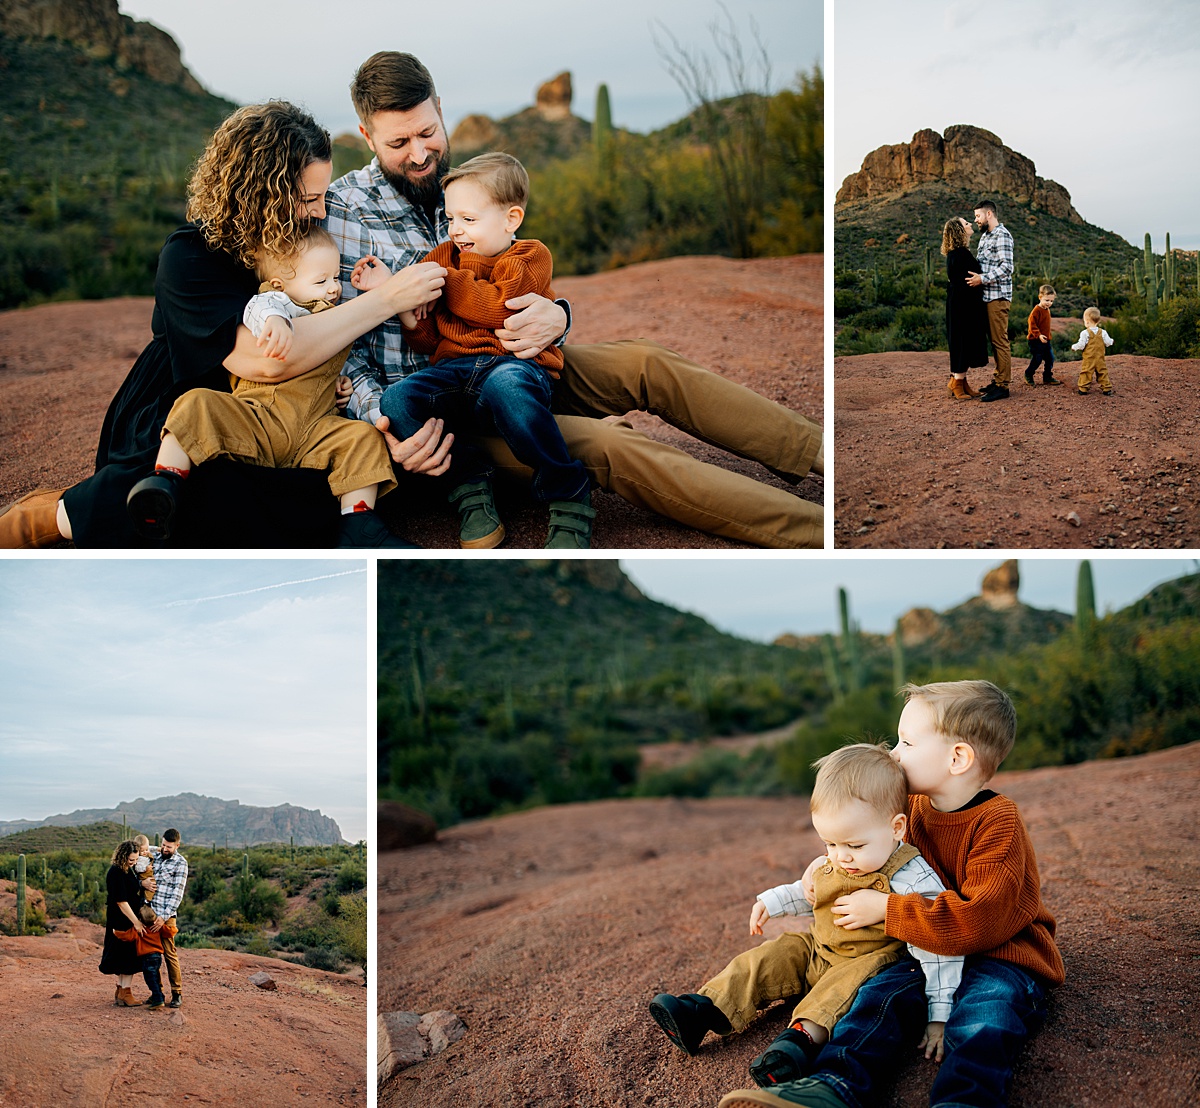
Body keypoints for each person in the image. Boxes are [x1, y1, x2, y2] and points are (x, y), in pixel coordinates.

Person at [323, 51, 824, 549]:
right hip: (440, 409)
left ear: (439, 107)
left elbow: (521, 273)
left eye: (428, 132)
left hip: (511, 362)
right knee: (611, 446)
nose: (418, 154)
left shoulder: (466, 184)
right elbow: (342, 353)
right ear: (367, 137)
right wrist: (384, 425)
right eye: (398, 142)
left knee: (647, 362)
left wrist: (557, 316)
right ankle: (814, 532)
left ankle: (821, 455)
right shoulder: (341, 216)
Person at [0, 100, 451, 549]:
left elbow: (323, 334)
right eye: (310, 198)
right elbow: (268, 361)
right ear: (263, 193)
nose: (320, 212)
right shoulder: (190, 256)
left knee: (323, 496)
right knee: (202, 492)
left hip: (288, 415)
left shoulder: (304, 246)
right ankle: (54, 515)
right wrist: (390, 298)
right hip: (192, 407)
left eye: (323, 197)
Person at [717, 680, 1065, 1108]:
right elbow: (873, 855)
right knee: (879, 999)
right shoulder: (914, 811)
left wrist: (886, 908)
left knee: (984, 1015)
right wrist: (822, 869)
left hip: (999, 955)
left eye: (907, 742)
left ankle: (962, 1101)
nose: (895, 753)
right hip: (924, 952)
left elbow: (980, 921)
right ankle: (834, 1086)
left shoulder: (998, 824)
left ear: (958, 758)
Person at [649, 743, 961, 1088]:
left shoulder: (911, 877)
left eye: (854, 846)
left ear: (897, 828)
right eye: (830, 843)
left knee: (835, 994)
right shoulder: (840, 857)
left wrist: (940, 1012)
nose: (841, 857)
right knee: (769, 956)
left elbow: (938, 940)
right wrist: (771, 901)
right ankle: (702, 1011)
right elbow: (809, 890)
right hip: (818, 946)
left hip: (868, 961)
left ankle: (796, 1044)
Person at [125, 225, 405, 547]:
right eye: (320, 280)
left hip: (314, 428)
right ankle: (166, 480)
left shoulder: (333, 316)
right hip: (258, 418)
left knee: (362, 438)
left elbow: (327, 366)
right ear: (280, 284)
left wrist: (338, 383)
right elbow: (260, 308)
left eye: (334, 278)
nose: (332, 289)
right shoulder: (276, 304)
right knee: (197, 402)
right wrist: (275, 321)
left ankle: (358, 522)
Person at [378, 152, 595, 548]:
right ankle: (469, 481)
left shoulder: (529, 257)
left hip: (513, 367)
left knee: (507, 387)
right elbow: (429, 340)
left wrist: (443, 281)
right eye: (450, 219)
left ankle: (568, 491)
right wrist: (408, 312)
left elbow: (497, 307)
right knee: (397, 398)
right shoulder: (442, 257)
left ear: (511, 219)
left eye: (469, 219)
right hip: (455, 374)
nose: (456, 230)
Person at [966, 200, 1015, 403]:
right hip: (987, 297)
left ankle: (1003, 386)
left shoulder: (1002, 235)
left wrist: (982, 279)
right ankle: (997, 380)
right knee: (994, 342)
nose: (975, 220)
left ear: (988, 214)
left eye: (977, 216)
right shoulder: (985, 237)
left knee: (1000, 341)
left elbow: (1007, 267)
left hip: (998, 297)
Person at [941, 217, 989, 400]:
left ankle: (960, 380)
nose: (970, 224)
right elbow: (965, 281)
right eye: (965, 223)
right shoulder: (960, 254)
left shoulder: (958, 253)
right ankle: (957, 383)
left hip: (962, 303)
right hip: (963, 306)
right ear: (959, 230)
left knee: (962, 341)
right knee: (962, 341)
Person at [98, 839, 150, 1007]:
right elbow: (121, 901)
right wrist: (136, 922)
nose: (134, 863)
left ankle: (121, 991)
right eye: (131, 860)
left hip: (125, 917)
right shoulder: (116, 872)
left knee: (122, 955)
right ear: (122, 856)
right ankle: (126, 993)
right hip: (123, 919)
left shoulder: (126, 870)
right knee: (128, 956)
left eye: (135, 860)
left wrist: (142, 882)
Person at [144, 828, 190, 1010]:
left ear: (177, 846)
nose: (164, 849)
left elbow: (177, 895)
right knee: (151, 955)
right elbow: (146, 847)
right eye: (163, 845)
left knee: (169, 954)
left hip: (166, 916)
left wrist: (163, 917)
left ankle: (177, 993)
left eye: (169, 847)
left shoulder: (181, 863)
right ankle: (158, 993)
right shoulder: (157, 853)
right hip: (149, 913)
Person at [1024, 284, 1061, 387]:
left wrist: (1047, 335)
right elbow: (1032, 325)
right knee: (1037, 359)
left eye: (1051, 301)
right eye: (1047, 300)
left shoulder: (1046, 309)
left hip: (1046, 339)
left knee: (1050, 358)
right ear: (1040, 297)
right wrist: (1038, 335)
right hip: (1035, 340)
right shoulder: (1036, 311)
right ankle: (1028, 374)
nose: (1049, 303)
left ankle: (1047, 376)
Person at [1071, 307, 1114, 395]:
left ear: (1087, 321)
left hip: (1089, 359)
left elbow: (1081, 345)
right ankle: (1106, 389)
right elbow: (1108, 343)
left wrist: (1075, 347)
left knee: (1086, 372)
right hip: (1100, 358)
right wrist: (1112, 341)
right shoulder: (1103, 332)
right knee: (1102, 372)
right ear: (1098, 321)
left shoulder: (1085, 333)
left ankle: (1083, 389)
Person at [132, 835, 158, 923]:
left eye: (146, 850)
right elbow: (137, 868)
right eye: (142, 851)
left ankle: (149, 900)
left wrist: (158, 848)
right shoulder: (138, 859)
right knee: (149, 889)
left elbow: (150, 848)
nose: (145, 852)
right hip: (144, 875)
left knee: (152, 886)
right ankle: (147, 901)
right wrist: (145, 868)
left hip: (149, 874)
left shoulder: (147, 852)